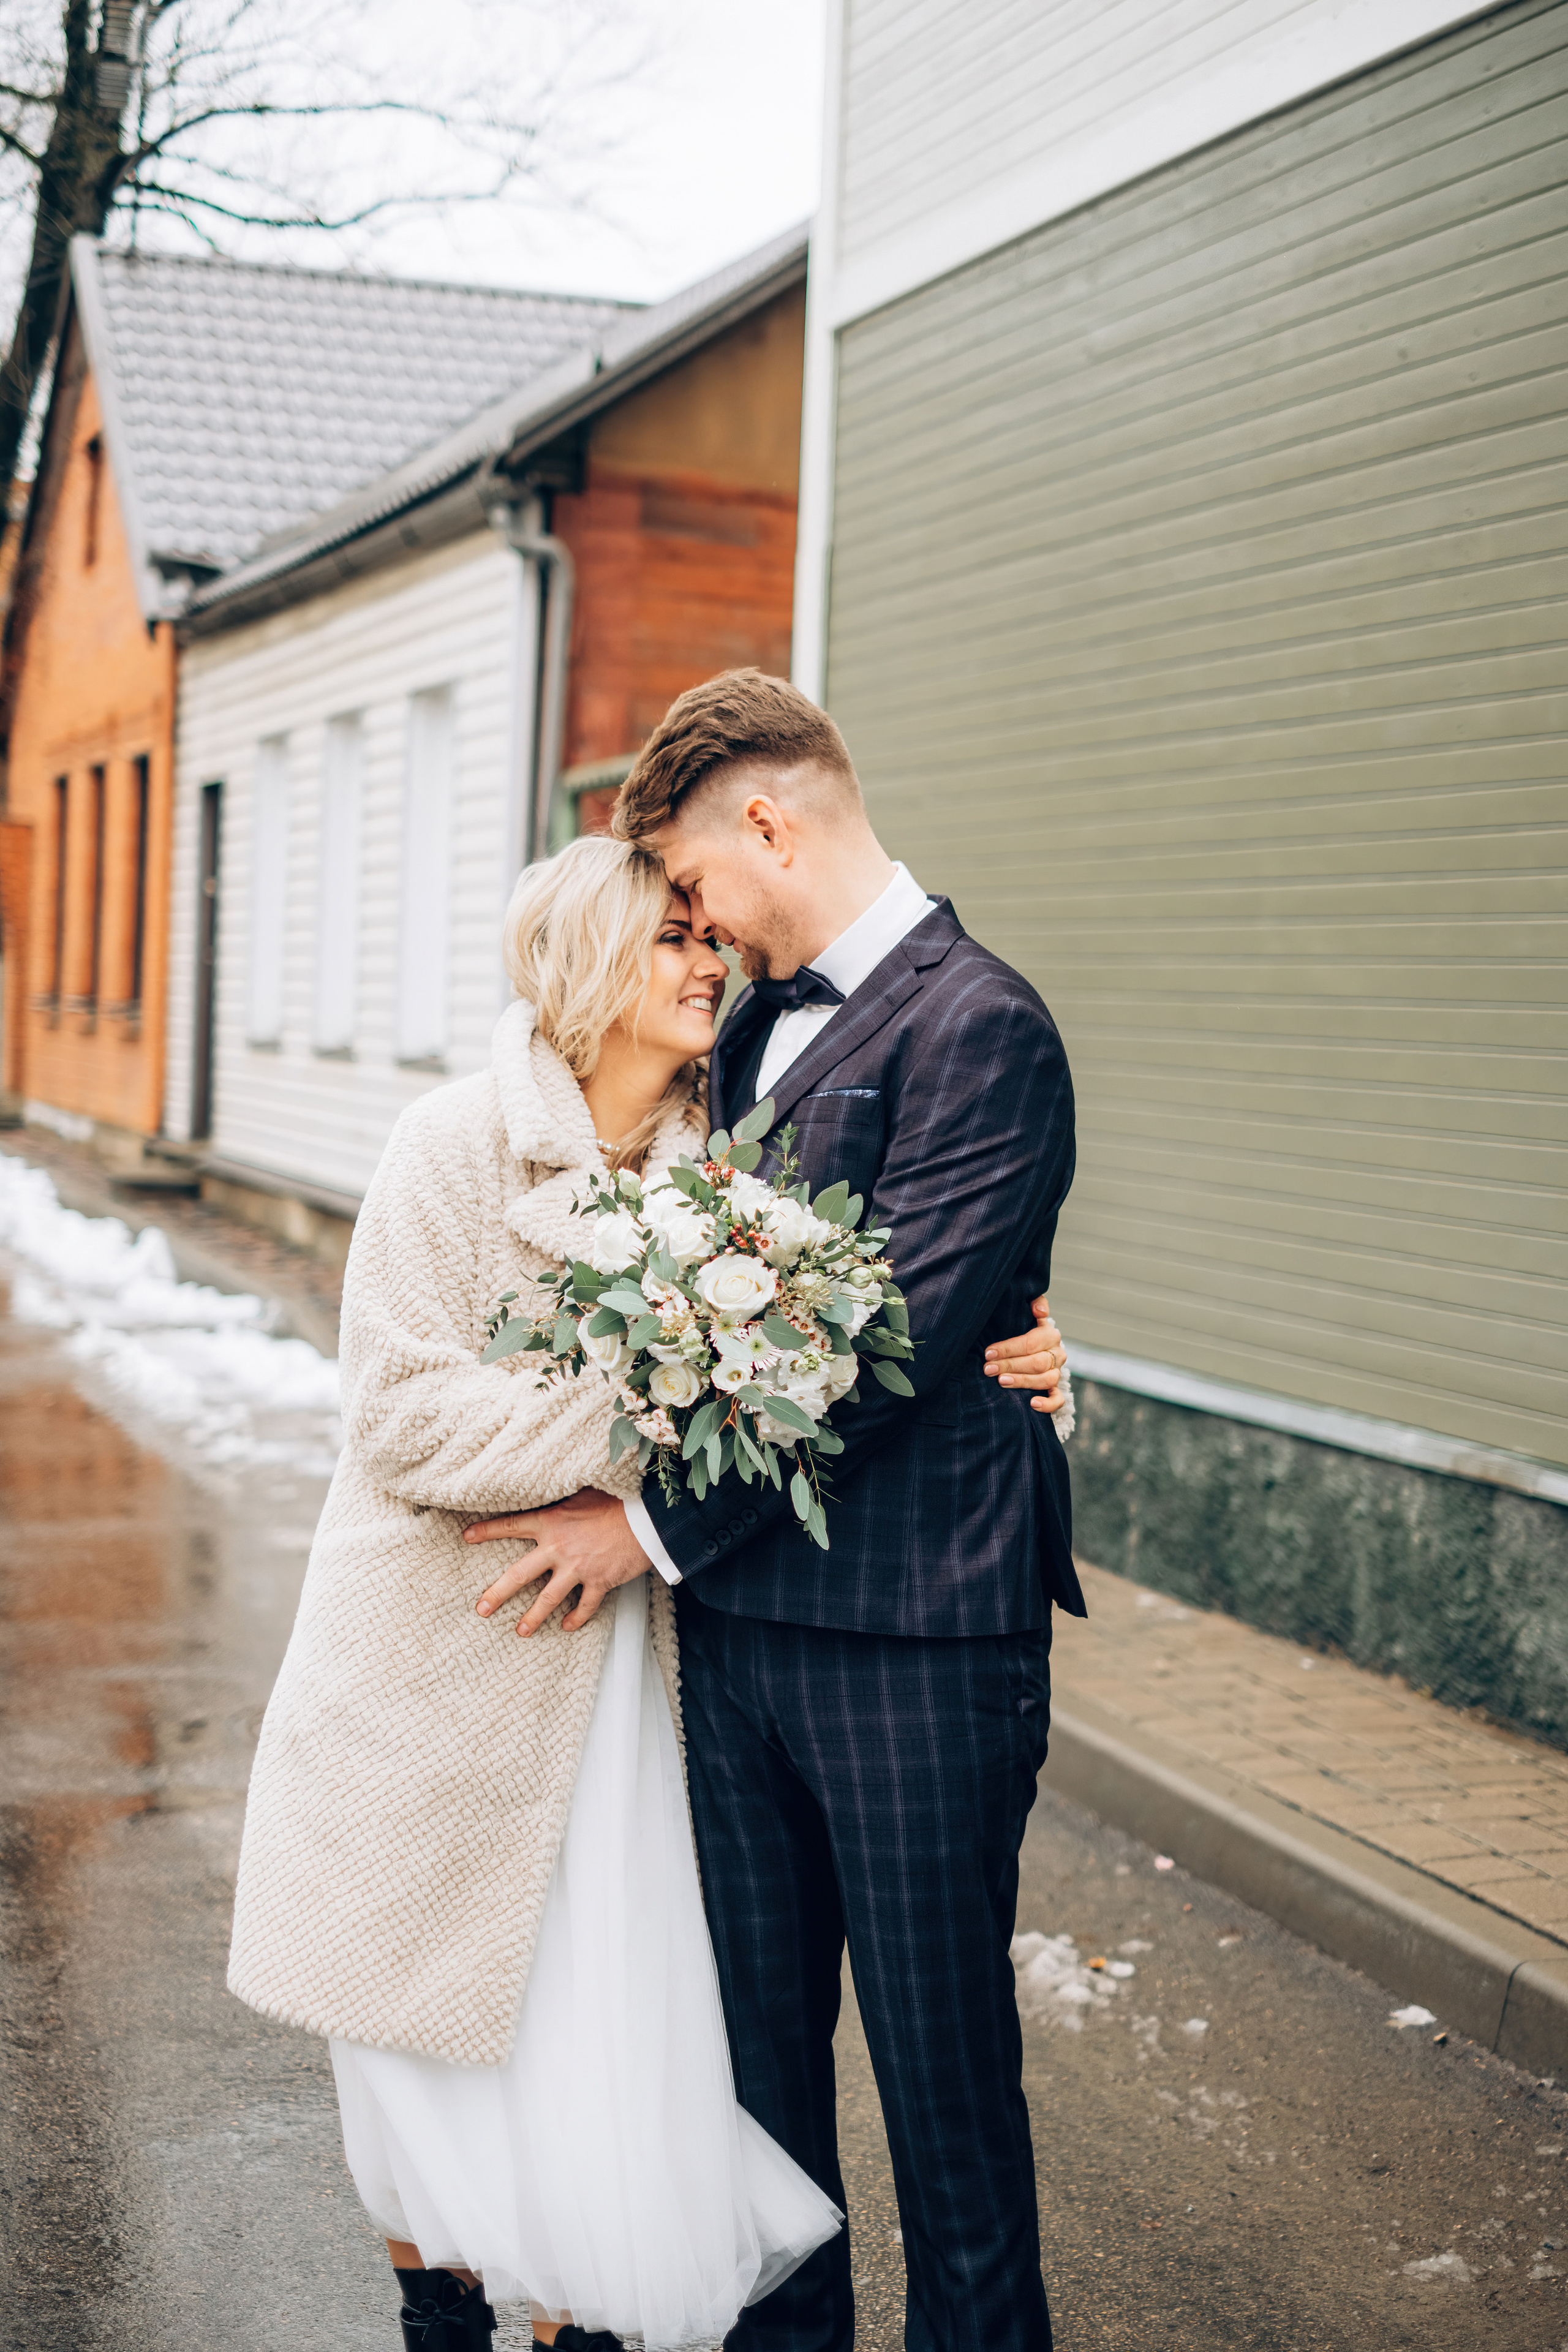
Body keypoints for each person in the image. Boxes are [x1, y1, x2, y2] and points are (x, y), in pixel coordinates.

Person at [228, 827, 1066, 2351]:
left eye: (704, 939)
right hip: (442, 1663)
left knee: (590, 2067)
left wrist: (1023, 1352)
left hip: (630, 1683)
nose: (708, 962)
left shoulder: (739, 1159)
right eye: (669, 939)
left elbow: (866, 1321)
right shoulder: (451, 1145)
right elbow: (402, 1416)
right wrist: (653, 1417)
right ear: (582, 969)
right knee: (429, 2076)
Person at [464, 671, 1079, 2352]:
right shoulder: (734, 1033)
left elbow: (875, 1354)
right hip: (730, 1654)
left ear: (764, 820)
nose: (698, 925)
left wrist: (643, 1534)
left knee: (948, 2112)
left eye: (692, 883)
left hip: (915, 1650)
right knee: (753, 2117)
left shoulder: (987, 1027)